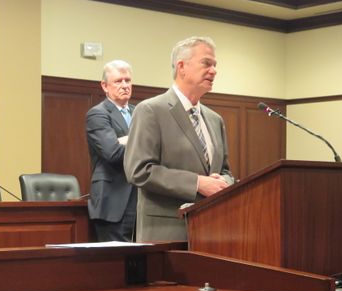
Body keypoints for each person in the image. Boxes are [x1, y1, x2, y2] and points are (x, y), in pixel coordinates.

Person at [124, 36, 233, 242]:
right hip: (167, 233)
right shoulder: (151, 110)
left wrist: (224, 182)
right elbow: (138, 170)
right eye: (206, 63)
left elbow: (225, 170)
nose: (214, 70)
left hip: (213, 232)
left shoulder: (214, 119)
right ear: (181, 66)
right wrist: (197, 183)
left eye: (215, 65)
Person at [85, 59, 137, 242]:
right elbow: (113, 153)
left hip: (141, 200)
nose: (124, 85)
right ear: (105, 86)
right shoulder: (98, 114)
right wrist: (139, 140)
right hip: (113, 200)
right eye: (118, 81)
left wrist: (125, 140)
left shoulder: (140, 112)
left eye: (128, 80)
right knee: (115, 263)